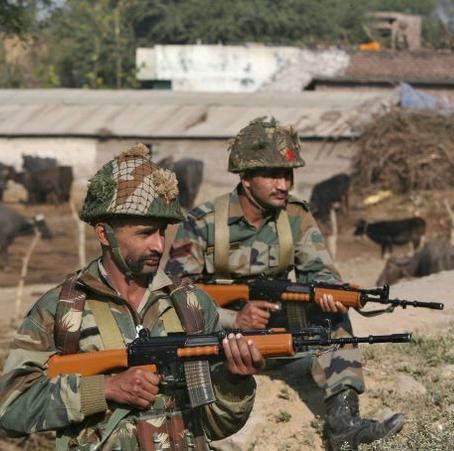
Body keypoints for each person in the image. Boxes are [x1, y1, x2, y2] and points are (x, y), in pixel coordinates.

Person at [0, 144, 264, 450]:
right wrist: (106, 388)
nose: (159, 246)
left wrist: (235, 381)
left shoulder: (192, 305)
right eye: (145, 233)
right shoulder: (59, 310)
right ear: (103, 233)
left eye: (162, 232)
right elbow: (11, 409)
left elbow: (217, 425)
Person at [165, 117, 405, 450]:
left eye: (288, 175)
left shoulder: (295, 216)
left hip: (277, 329)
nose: (284, 184)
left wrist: (330, 293)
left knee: (334, 318)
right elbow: (175, 296)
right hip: (218, 337)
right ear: (246, 179)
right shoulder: (202, 222)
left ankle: (344, 425)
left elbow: (320, 271)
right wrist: (234, 318)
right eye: (273, 174)